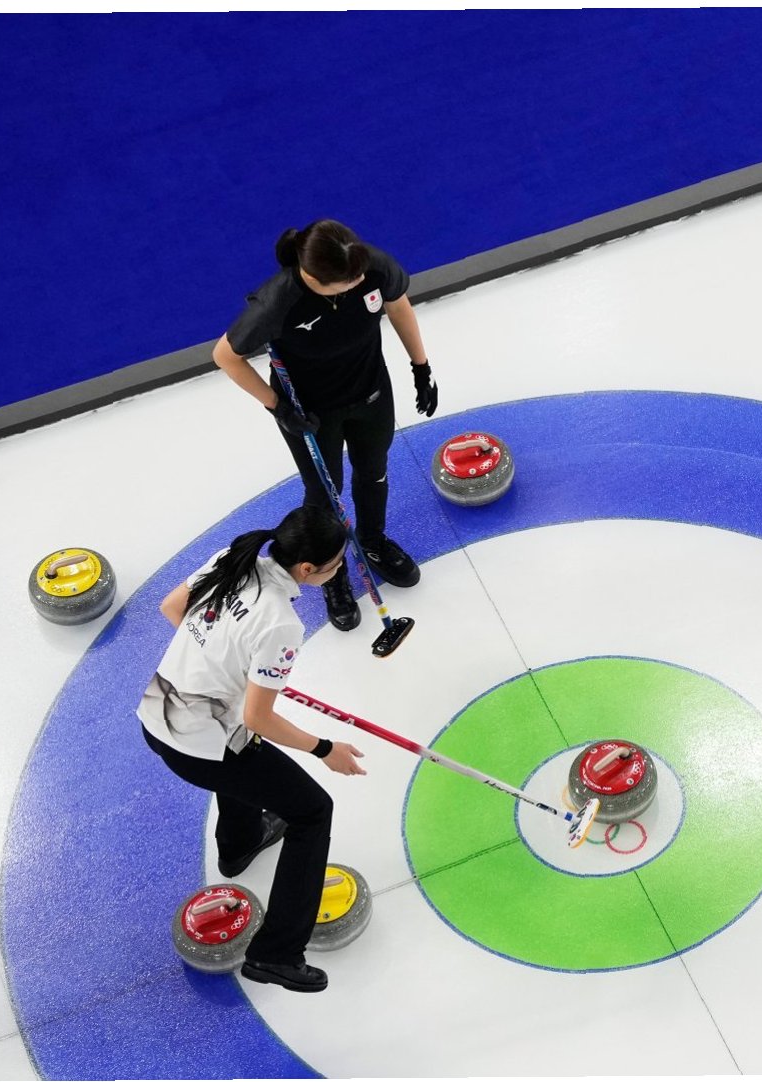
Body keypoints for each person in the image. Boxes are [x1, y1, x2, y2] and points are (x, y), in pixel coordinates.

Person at [138, 506, 369, 992]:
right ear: (307, 569)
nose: (339, 571)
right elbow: (257, 718)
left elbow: (172, 608)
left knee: (245, 761)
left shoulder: (233, 557)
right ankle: (277, 953)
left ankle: (240, 843)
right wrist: (325, 748)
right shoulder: (281, 624)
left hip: (157, 713)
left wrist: (225, 668)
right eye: (336, 565)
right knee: (312, 811)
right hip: (199, 742)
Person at [211, 219, 440, 631]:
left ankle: (372, 541)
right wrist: (278, 406)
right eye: (348, 282)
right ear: (314, 279)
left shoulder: (369, 265)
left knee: (374, 471)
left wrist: (420, 366)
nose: (359, 283)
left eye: (360, 275)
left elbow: (398, 304)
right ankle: (332, 572)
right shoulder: (277, 301)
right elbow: (226, 357)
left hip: (370, 393)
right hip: (310, 414)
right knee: (323, 495)